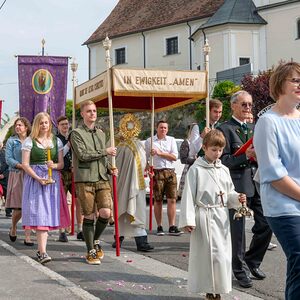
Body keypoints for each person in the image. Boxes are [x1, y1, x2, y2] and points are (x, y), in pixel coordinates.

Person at [179, 130, 246, 300]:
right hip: (204, 216)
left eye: (220, 150)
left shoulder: (223, 169)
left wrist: (237, 198)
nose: (217, 154)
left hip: (221, 216)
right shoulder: (196, 169)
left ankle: (219, 288)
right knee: (208, 256)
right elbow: (188, 195)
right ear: (204, 147)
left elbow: (228, 193)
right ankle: (210, 290)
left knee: (222, 256)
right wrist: (188, 219)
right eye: (214, 150)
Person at [253, 61, 300, 299]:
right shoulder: (268, 122)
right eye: (296, 80)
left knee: (297, 266)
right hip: (283, 206)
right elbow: (273, 173)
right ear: (280, 83)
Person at [217, 91, 272, 288]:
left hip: (257, 183)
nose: (248, 108)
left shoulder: (254, 127)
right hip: (237, 185)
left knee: (266, 224)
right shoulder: (225, 129)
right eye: (244, 104)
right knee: (238, 232)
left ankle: (252, 261)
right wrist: (245, 157)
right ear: (233, 106)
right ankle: (239, 270)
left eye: (250, 105)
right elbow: (222, 160)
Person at [70, 100, 117, 265]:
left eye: (94, 111)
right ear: (82, 114)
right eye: (89, 111)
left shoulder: (101, 133)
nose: (92, 114)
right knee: (89, 215)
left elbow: (102, 159)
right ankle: (90, 250)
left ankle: (95, 240)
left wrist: (110, 168)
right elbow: (83, 155)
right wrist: (105, 151)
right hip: (85, 179)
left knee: (106, 213)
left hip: (102, 177)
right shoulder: (75, 133)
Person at [22, 112, 64, 264]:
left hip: (52, 181)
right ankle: (43, 252)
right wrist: (38, 178)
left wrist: (54, 165)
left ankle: (42, 251)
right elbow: (25, 164)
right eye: (41, 123)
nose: (44, 125)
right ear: (36, 125)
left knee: (46, 217)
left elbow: (61, 164)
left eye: (46, 122)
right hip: (35, 180)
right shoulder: (29, 141)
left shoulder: (56, 141)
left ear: (49, 124)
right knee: (40, 215)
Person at [112, 113, 154, 252]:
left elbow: (143, 163)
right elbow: (114, 163)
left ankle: (140, 241)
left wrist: (148, 166)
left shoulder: (138, 144)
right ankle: (119, 237)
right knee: (128, 209)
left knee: (136, 210)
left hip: (136, 184)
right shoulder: (117, 144)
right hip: (125, 182)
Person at [145, 120, 181, 236]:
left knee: (172, 199)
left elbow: (174, 157)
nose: (163, 130)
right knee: (158, 200)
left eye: (165, 128)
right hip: (157, 172)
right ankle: (159, 226)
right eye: (161, 127)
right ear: (156, 128)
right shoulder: (150, 141)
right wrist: (148, 170)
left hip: (170, 171)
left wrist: (160, 153)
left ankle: (172, 225)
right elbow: (146, 158)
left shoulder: (171, 140)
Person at [5, 117, 33, 246]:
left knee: (30, 205)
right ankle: (14, 226)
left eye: (20, 125)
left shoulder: (32, 140)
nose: (18, 127)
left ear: (26, 127)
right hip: (17, 174)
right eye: (16, 125)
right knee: (19, 206)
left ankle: (27, 236)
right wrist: (21, 166)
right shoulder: (12, 141)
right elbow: (8, 159)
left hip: (31, 174)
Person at [56, 116, 84, 242]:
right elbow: (58, 154)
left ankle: (80, 229)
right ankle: (62, 231)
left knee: (79, 201)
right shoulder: (56, 139)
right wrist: (68, 144)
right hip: (62, 172)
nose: (65, 126)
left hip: (74, 172)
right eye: (62, 124)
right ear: (58, 126)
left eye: (67, 124)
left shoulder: (74, 137)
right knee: (62, 202)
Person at [177, 123, 198, 198]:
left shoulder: (200, 142)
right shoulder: (186, 142)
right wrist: (195, 160)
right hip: (190, 168)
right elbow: (183, 159)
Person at [0, 142, 10, 217]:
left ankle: (8, 211)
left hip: (5, 177)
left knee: (7, 194)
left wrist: (4, 174)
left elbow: (10, 166)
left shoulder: (6, 154)